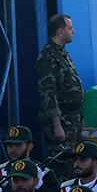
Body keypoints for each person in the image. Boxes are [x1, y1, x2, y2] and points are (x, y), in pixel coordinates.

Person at [34, 14, 83, 150]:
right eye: (70, 28)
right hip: (63, 121)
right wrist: (57, 126)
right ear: (60, 32)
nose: (73, 31)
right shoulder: (48, 58)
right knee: (63, 161)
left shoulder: (61, 53)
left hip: (73, 119)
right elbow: (48, 94)